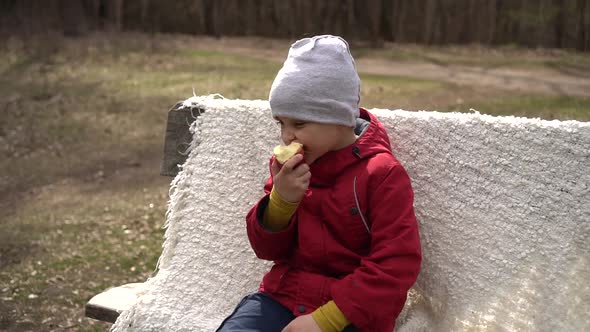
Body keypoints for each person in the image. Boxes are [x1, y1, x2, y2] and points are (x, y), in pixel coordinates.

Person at [216, 35, 422, 332]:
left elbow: (396, 263)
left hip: (352, 311)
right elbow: (266, 249)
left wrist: (326, 320)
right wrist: (280, 202)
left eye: (299, 124)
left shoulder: (382, 174)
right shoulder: (290, 169)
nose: (287, 136)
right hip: (283, 296)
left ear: (340, 118)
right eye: (281, 123)